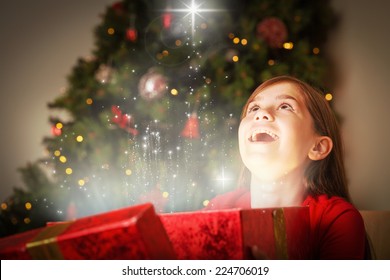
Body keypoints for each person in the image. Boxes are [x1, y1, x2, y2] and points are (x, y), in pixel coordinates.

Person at [204, 75, 368, 259]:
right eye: (254, 108)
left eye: (285, 107)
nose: (260, 114)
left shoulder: (337, 220)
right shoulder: (218, 209)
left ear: (317, 147)